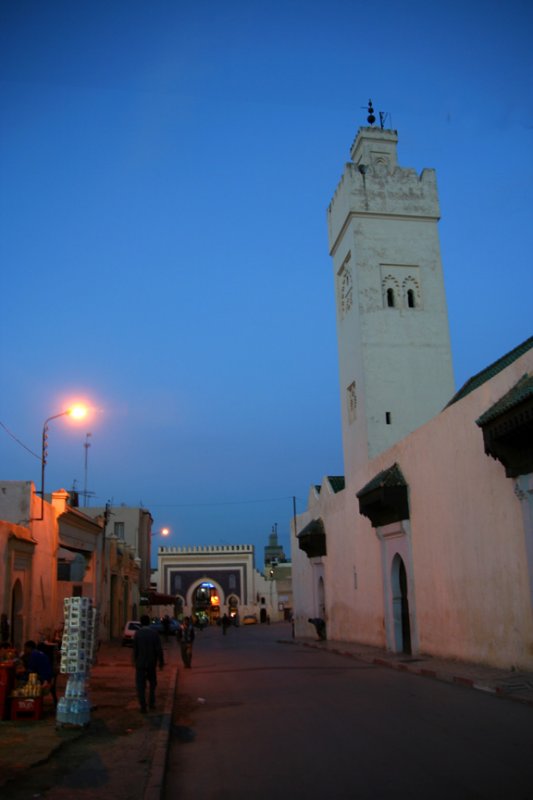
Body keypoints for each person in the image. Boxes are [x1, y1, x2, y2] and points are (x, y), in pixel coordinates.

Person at [133, 614, 164, 713]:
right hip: (151, 663)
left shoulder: (137, 634)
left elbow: (135, 650)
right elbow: (158, 649)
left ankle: (143, 706)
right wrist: (161, 662)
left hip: (140, 664)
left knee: (140, 686)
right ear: (149, 622)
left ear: (141, 623)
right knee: (152, 684)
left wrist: (134, 661)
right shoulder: (154, 633)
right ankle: (151, 703)